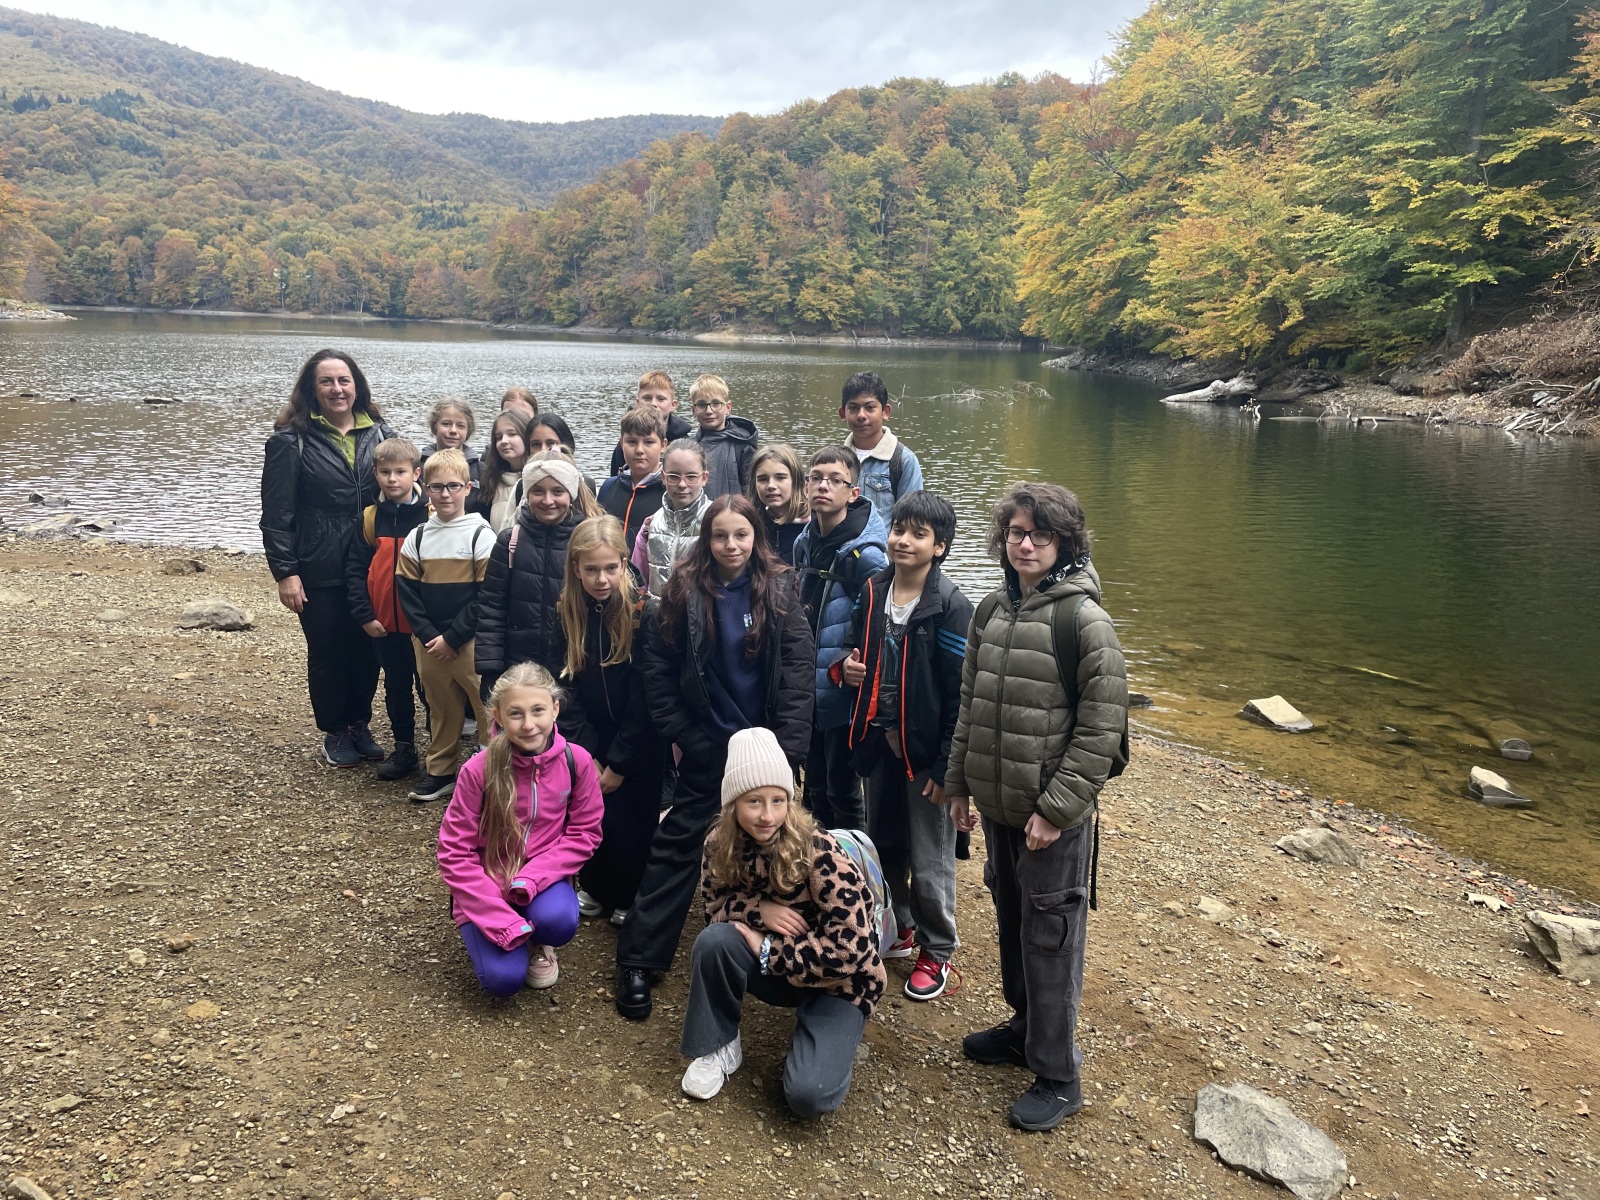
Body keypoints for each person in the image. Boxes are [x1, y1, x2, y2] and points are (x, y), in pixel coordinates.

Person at [945, 482, 1129, 1133]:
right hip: (999, 807)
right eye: (1017, 532)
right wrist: (959, 784)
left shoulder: (1084, 622)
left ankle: (1058, 1075)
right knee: (1014, 920)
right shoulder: (993, 608)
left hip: (1051, 819)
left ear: (1065, 543)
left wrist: (1056, 810)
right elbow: (970, 706)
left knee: (1051, 938)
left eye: (1040, 535)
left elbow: (1101, 731)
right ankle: (1024, 1030)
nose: (1025, 544)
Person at [618, 494, 814, 1021]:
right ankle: (639, 959)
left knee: (778, 843)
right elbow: (659, 674)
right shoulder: (682, 592)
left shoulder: (780, 588)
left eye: (741, 535)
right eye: (720, 535)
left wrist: (788, 751)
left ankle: (793, 954)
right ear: (706, 539)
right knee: (679, 842)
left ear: (755, 538)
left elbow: (798, 672)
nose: (731, 545)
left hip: (767, 748)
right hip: (710, 744)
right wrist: (691, 737)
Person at [678, 726, 885, 1115]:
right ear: (733, 804)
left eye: (778, 800)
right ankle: (718, 1044)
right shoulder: (718, 845)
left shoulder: (821, 852)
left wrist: (768, 949)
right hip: (781, 971)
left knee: (809, 1095)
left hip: (839, 982)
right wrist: (759, 910)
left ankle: (832, 1033)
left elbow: (852, 949)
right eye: (754, 801)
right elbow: (714, 909)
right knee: (715, 942)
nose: (767, 815)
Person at [836, 491, 972, 1000]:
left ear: (940, 547)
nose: (903, 541)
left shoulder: (950, 606)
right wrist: (845, 669)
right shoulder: (874, 590)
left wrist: (947, 768)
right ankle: (902, 925)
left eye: (919, 534)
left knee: (931, 855)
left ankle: (938, 949)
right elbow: (853, 647)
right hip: (878, 742)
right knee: (884, 842)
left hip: (925, 754)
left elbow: (960, 694)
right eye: (898, 530)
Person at [261, 348, 397, 767]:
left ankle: (359, 723)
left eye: (344, 380)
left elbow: (400, 494)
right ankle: (335, 730)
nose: (337, 389)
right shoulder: (290, 441)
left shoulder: (381, 433)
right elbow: (276, 515)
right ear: (312, 389)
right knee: (328, 650)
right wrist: (286, 572)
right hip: (318, 565)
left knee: (367, 649)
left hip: (371, 563)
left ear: (357, 386)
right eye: (327, 381)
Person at [437, 662, 603, 996]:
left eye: (538, 710)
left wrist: (533, 877)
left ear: (555, 709)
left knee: (557, 922)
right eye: (515, 714)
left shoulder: (578, 761)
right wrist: (500, 919)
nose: (528, 725)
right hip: (486, 883)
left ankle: (540, 938)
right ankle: (506, 925)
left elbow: (585, 832)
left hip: (540, 879)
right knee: (503, 980)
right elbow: (453, 853)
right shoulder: (478, 770)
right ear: (497, 716)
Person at [557, 516, 663, 927]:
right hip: (590, 738)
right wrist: (588, 752)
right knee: (591, 813)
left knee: (633, 819)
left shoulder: (645, 614)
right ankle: (596, 884)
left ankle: (630, 891)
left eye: (610, 568)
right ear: (576, 568)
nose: (601, 579)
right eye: (591, 570)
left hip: (638, 741)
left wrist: (619, 761)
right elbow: (562, 686)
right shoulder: (566, 611)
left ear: (623, 563)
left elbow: (646, 694)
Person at [791, 446, 887, 832]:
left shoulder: (866, 555)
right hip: (808, 683)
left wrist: (849, 661)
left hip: (841, 687)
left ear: (853, 492)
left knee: (842, 790)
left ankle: (855, 861)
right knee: (813, 784)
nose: (823, 486)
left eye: (835, 480)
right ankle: (818, 858)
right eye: (816, 478)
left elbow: (879, 622)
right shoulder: (805, 541)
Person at [396, 448, 495, 804]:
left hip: (469, 641)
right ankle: (440, 771)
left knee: (486, 707)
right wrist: (429, 635)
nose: (446, 494)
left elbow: (486, 594)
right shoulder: (418, 536)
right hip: (429, 643)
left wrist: (453, 637)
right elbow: (406, 591)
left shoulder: (481, 534)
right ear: (426, 489)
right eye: (437, 487)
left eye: (454, 486)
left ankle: (489, 773)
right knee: (441, 707)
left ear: (468, 488)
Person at [344, 435, 430, 781]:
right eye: (385, 472)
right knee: (396, 687)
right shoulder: (370, 518)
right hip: (385, 624)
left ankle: (440, 752)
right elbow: (355, 569)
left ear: (416, 473)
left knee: (431, 689)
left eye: (400, 472)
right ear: (376, 474)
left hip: (423, 626)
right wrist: (364, 615)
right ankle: (404, 748)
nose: (392, 479)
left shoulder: (430, 514)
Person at [475, 454, 589, 706]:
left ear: (570, 494)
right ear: (527, 494)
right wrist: (490, 667)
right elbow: (492, 607)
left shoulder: (584, 541)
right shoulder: (510, 541)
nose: (548, 500)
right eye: (538, 491)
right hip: (518, 662)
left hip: (570, 663)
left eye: (557, 491)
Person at [839, 372, 924, 527]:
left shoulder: (902, 461)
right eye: (853, 408)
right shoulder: (836, 460)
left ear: (886, 412)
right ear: (843, 413)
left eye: (870, 408)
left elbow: (911, 520)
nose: (861, 415)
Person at [630, 438, 712, 596]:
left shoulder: (716, 521)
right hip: (657, 610)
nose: (682, 484)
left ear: (704, 478)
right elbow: (637, 582)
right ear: (663, 477)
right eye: (674, 476)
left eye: (691, 477)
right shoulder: (651, 524)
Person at [598, 405, 666, 549]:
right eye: (632, 442)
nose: (639, 450)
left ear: (663, 445)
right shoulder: (608, 487)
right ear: (621, 443)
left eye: (648, 442)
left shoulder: (670, 492)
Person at [608, 370, 693, 477]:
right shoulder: (626, 443)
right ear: (638, 402)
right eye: (647, 398)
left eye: (661, 399)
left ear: (673, 405)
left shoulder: (685, 443)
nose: (653, 404)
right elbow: (616, 478)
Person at [687, 374, 757, 498]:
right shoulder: (688, 447)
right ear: (693, 410)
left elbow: (751, 490)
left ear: (728, 408)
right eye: (702, 405)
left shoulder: (743, 445)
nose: (709, 411)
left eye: (716, 403)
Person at [748, 444, 809, 564]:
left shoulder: (813, 526)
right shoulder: (752, 523)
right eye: (763, 479)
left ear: (796, 481)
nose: (771, 486)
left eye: (780, 478)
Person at [420, 397, 482, 511]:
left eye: (460, 426)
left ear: (468, 431)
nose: (453, 430)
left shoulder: (480, 471)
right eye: (446, 424)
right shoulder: (418, 467)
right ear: (435, 426)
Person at [479, 410, 531, 533]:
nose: (504, 441)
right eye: (499, 437)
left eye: (512, 434)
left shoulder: (538, 480)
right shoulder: (491, 481)